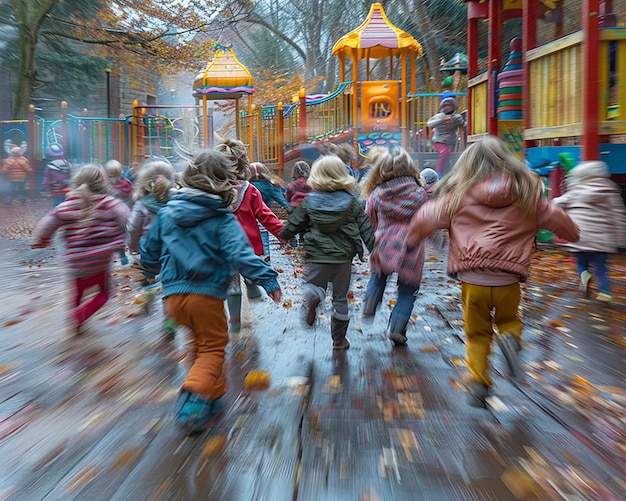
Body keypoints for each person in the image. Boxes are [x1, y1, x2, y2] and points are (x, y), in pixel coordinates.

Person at [405, 136, 579, 408]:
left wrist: (412, 240)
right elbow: (559, 221)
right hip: (508, 277)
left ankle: (479, 381)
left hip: (472, 278)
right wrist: (572, 235)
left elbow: (425, 217)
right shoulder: (526, 195)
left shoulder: (456, 197)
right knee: (509, 319)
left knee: (476, 333)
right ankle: (509, 340)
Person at [140, 148, 282, 433]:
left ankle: (214, 399)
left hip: (173, 298)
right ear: (225, 181)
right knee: (213, 349)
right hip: (205, 295)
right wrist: (268, 279)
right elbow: (241, 254)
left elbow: (150, 248)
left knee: (198, 343)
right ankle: (193, 401)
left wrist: (149, 271)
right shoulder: (221, 218)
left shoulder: (168, 212)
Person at [280, 155, 375, 350]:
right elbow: (366, 228)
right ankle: (339, 339)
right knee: (340, 297)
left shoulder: (309, 202)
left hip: (317, 256)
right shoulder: (352, 202)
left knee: (314, 283)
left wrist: (285, 233)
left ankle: (313, 294)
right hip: (343, 258)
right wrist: (376, 251)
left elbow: (294, 225)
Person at [31, 164, 130, 334]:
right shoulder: (111, 204)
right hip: (100, 262)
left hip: (75, 262)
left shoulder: (67, 206)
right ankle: (80, 315)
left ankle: (76, 323)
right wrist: (128, 240)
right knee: (105, 293)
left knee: (77, 294)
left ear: (76, 182)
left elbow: (48, 223)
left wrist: (41, 240)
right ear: (103, 184)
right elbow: (128, 220)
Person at [360, 147, 429, 346]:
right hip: (411, 246)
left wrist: (374, 232)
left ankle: (372, 299)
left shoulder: (377, 193)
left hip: (383, 243)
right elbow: (427, 219)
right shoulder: (420, 194)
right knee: (408, 290)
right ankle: (398, 328)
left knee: (378, 276)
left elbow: (369, 218)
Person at [216, 139, 284, 333]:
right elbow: (265, 215)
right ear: (242, 164)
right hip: (247, 245)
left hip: (223, 247)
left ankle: (235, 322)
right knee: (249, 267)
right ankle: (253, 283)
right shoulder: (249, 190)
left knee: (232, 283)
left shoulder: (214, 192)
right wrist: (282, 233)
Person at [552, 160, 626, 303]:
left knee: (581, 264)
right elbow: (618, 214)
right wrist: (621, 237)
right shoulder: (609, 189)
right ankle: (604, 294)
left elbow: (556, 203)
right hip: (602, 240)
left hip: (579, 237)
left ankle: (584, 275)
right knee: (601, 268)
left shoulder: (575, 190)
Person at [125, 159, 178, 337]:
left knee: (147, 278)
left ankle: (145, 301)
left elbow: (133, 227)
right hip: (173, 251)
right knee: (170, 286)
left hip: (148, 252)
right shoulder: (178, 200)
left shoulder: (141, 204)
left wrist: (133, 246)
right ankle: (169, 322)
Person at [426, 95, 465, 175]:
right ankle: (438, 173)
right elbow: (429, 124)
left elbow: (463, 127)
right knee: (445, 152)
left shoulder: (457, 117)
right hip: (439, 141)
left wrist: (465, 121)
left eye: (449, 105)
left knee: (449, 159)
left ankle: (447, 174)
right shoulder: (438, 116)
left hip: (451, 141)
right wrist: (441, 120)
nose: (447, 108)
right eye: (445, 105)